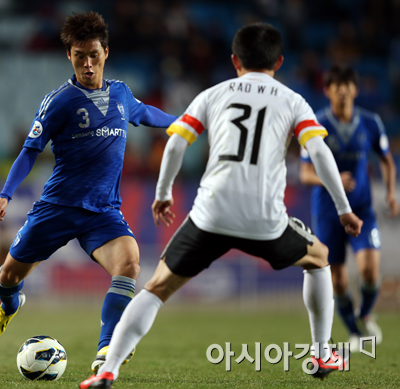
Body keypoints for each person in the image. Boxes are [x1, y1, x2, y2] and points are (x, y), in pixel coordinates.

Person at [79, 23, 363, 389]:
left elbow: (178, 143)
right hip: (265, 219)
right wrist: (343, 208)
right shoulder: (292, 100)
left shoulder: (213, 94)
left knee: (156, 288)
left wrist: (163, 192)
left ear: (234, 61)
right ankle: (322, 352)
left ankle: (108, 370)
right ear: (278, 61)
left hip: (210, 214)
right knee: (319, 258)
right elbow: (319, 153)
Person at [0, 11, 177, 373]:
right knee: (8, 277)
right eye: (79, 56)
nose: (87, 64)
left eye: (93, 55)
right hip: (57, 208)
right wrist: (7, 193)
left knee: (129, 263)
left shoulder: (120, 93)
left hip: (102, 212)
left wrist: (183, 123)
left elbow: (144, 113)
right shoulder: (60, 101)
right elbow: (30, 151)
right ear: (68, 56)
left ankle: (107, 350)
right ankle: (10, 306)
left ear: (106, 52)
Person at [300, 66, 398, 351]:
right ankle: (355, 333)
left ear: (355, 90)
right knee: (338, 280)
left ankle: (365, 313)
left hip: (363, 209)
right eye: (336, 85)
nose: (342, 90)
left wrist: (391, 192)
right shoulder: (316, 124)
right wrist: (331, 178)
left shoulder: (370, 122)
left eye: (347, 85)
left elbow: (387, 160)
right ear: (327, 90)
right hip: (328, 212)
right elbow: (305, 174)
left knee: (370, 271)